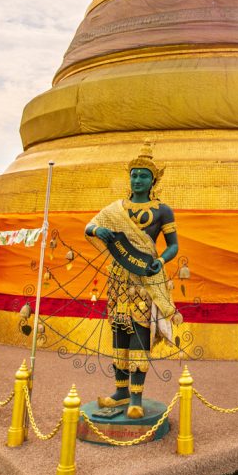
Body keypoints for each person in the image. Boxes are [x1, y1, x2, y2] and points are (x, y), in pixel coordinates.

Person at [85, 144, 183, 419]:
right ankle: (121, 391)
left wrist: (160, 260)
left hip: (144, 278)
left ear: (153, 181)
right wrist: (98, 230)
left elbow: (173, 246)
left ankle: (137, 398)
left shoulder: (163, 211)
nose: (137, 180)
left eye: (143, 176)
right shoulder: (115, 209)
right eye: (134, 175)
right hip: (119, 277)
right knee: (119, 332)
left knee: (139, 334)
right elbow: (88, 227)